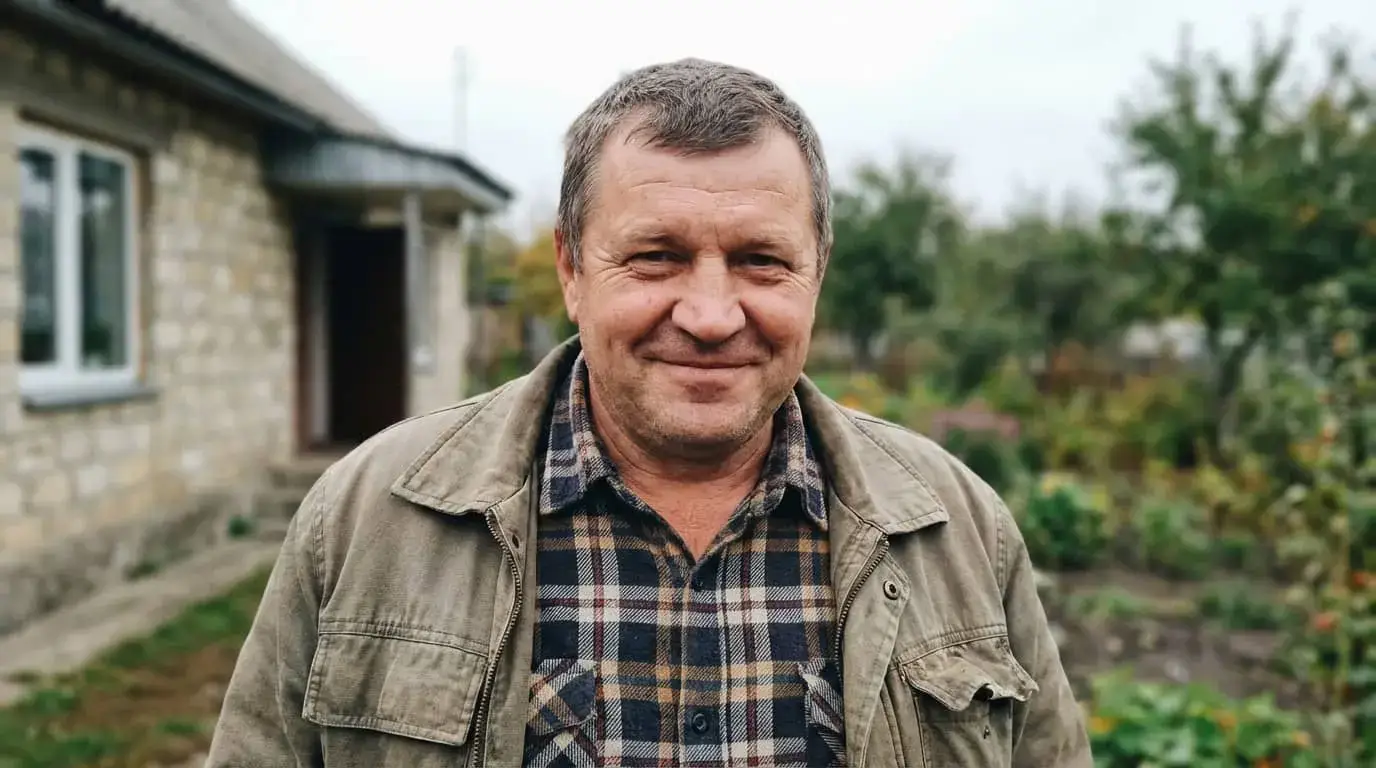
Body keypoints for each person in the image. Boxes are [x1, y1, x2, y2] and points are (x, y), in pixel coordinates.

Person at [205, 57, 1092, 768]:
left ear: (817, 271)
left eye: (761, 261)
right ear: (571, 269)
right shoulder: (365, 520)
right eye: (657, 257)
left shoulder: (962, 531)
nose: (710, 315)